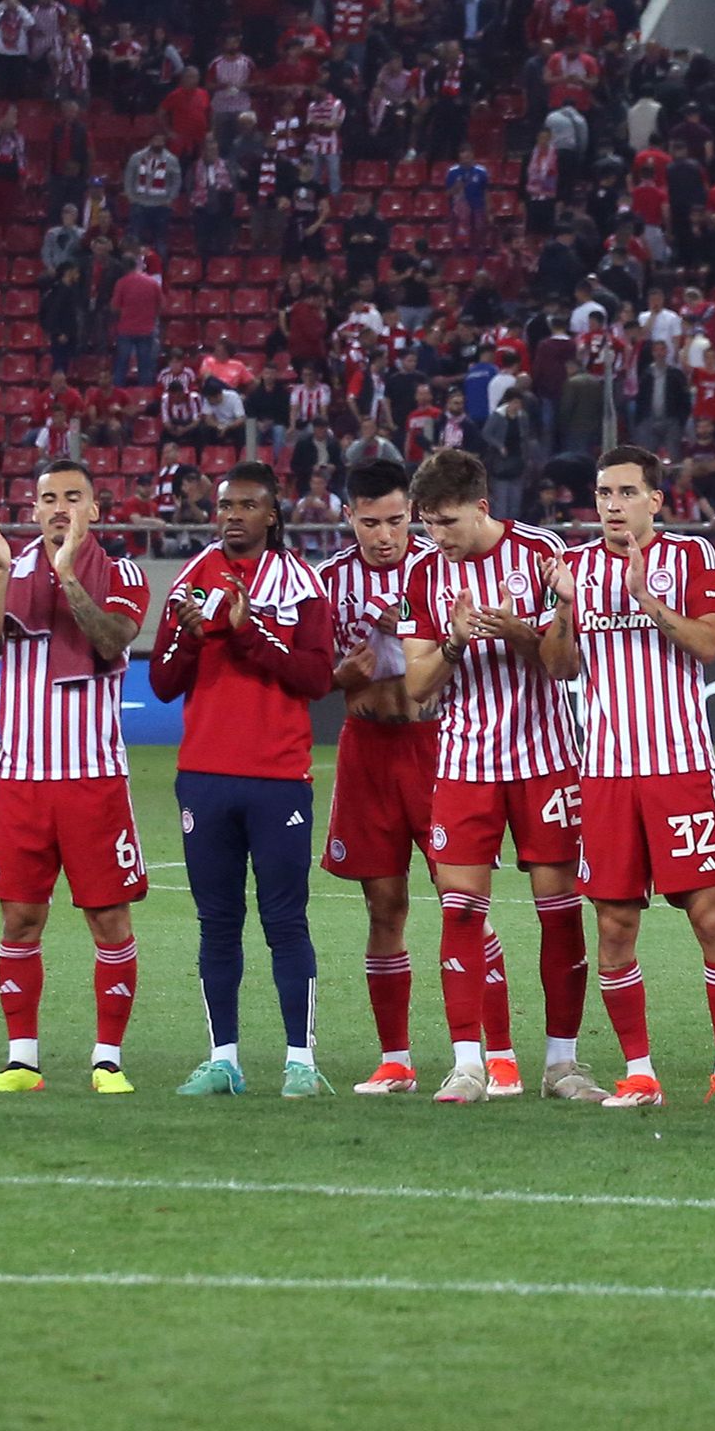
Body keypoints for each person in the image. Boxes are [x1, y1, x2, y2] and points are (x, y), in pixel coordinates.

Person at [560, 447, 715, 1109]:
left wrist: (645, 599)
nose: (611, 505)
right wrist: (561, 612)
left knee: (707, 914)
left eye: (624, 492)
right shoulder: (575, 568)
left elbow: (706, 645)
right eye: (603, 493)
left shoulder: (690, 558)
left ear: (654, 501)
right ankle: (638, 1072)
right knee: (613, 926)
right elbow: (559, 667)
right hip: (607, 774)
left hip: (679, 767)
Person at [399, 448, 591, 1101]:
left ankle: (561, 1067)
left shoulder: (540, 552)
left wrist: (517, 632)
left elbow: (564, 666)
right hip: (464, 764)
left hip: (545, 761)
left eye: (447, 522)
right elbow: (416, 690)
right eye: (427, 523)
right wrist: (453, 643)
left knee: (560, 913)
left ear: (481, 508)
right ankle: (467, 1064)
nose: (437, 537)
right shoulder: (422, 574)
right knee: (459, 911)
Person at [149, 461, 336, 1095]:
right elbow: (163, 681)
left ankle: (300, 1063)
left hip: (278, 777)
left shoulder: (302, 584)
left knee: (286, 920)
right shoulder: (192, 577)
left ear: (273, 516)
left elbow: (315, 677)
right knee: (217, 920)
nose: (233, 515)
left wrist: (248, 632)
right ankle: (223, 1058)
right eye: (227, 504)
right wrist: (195, 635)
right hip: (203, 776)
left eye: (248, 505)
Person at [0, 458, 152, 1094]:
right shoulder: (11, 568)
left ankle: (108, 1060)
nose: (59, 508)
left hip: (93, 778)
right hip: (20, 777)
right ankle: (22, 1061)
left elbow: (110, 638)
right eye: (48, 498)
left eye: (73, 497)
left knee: (109, 922)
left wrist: (68, 574)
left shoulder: (120, 571)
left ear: (94, 510)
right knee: (19, 919)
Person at [316, 458, 451, 1093]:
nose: (384, 534)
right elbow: (307, 675)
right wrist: (336, 677)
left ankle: (482, 1055)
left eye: (396, 520)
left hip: (438, 747)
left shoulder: (441, 567)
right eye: (370, 522)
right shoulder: (325, 583)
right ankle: (395, 1059)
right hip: (367, 750)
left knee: (462, 898)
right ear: (349, 517)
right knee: (383, 905)